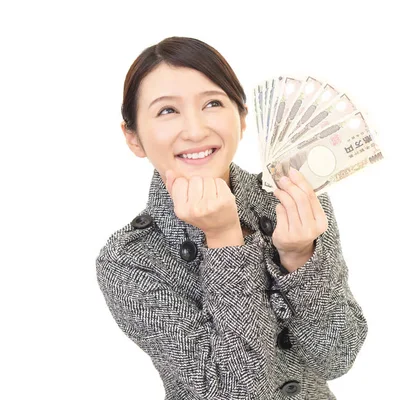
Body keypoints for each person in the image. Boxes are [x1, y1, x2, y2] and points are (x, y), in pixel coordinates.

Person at [95, 36, 368, 399]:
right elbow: (233, 393)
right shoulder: (129, 259)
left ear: (241, 119)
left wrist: (300, 258)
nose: (195, 130)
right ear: (134, 138)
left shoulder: (292, 200)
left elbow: (337, 359)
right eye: (167, 111)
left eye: (212, 103)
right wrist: (224, 237)